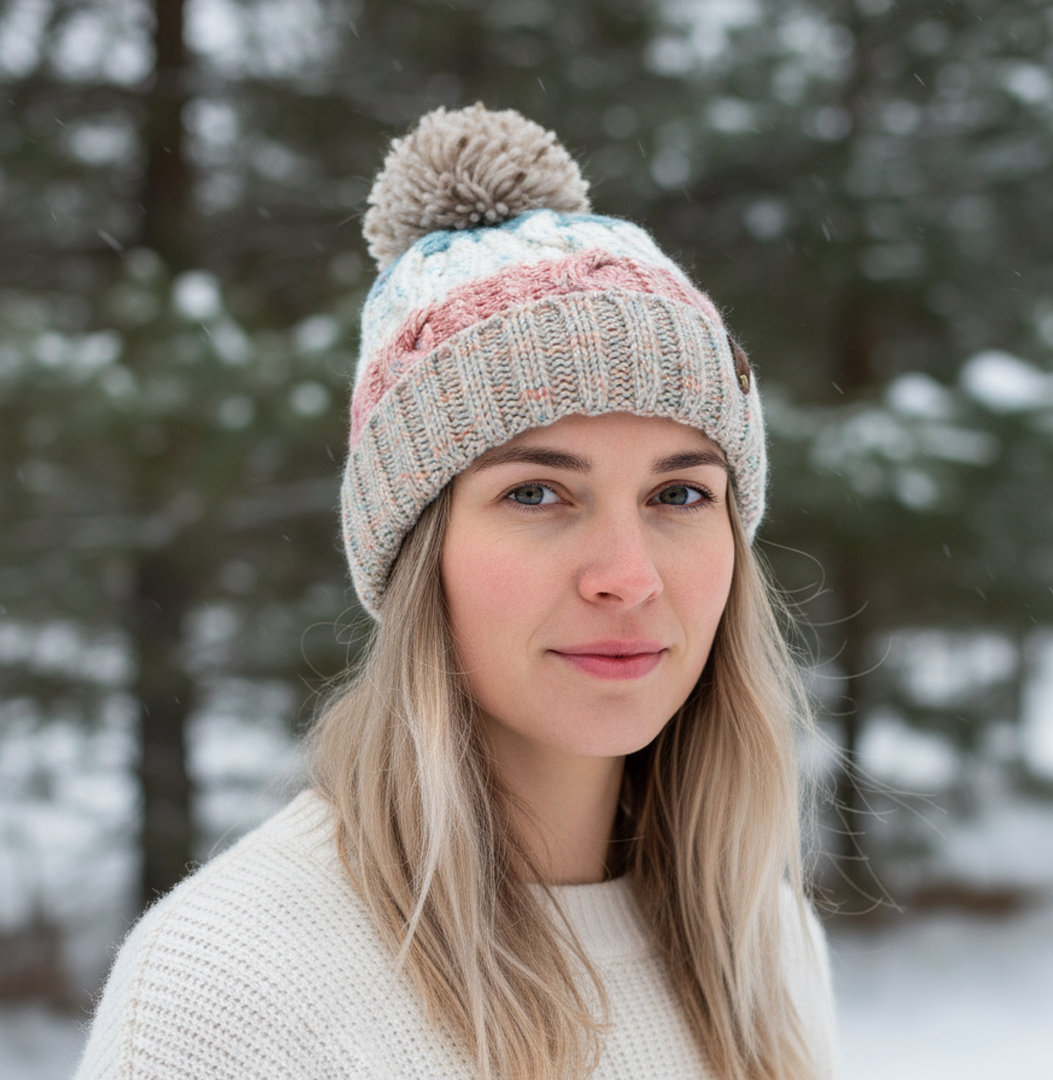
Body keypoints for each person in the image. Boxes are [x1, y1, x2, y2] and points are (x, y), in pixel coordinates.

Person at [74, 104, 838, 1080]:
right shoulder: (233, 985)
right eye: (536, 493)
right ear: (414, 552)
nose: (629, 575)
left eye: (680, 493)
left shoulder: (762, 944)